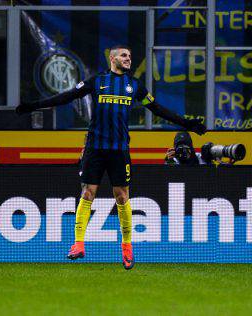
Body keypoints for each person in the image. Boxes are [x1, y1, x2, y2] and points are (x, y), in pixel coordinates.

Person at [16, 45, 206, 270]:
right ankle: (78, 243)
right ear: (112, 58)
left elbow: (157, 109)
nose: (128, 59)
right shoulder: (97, 82)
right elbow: (66, 97)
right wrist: (33, 106)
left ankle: (127, 248)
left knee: (122, 196)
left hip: (119, 149)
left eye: (130, 56)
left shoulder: (134, 86)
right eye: (124, 55)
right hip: (95, 148)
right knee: (88, 192)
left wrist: (188, 124)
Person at [164, 131, 237, 166]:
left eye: (186, 146)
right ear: (175, 148)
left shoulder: (202, 158)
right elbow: (170, 180)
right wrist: (169, 163)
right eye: (180, 147)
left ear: (191, 147)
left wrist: (226, 169)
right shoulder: (173, 162)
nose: (183, 150)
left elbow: (215, 178)